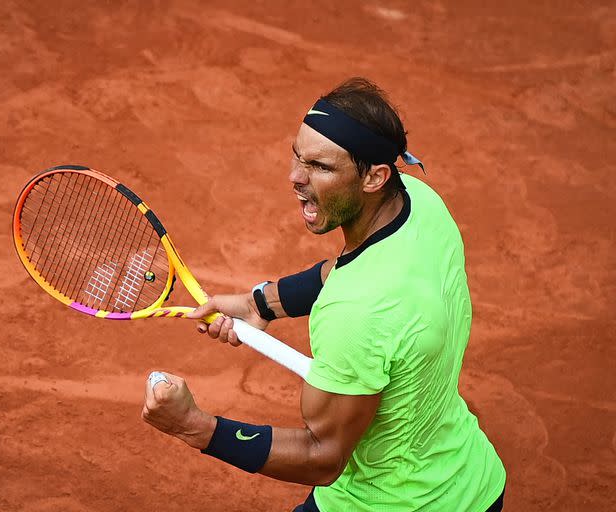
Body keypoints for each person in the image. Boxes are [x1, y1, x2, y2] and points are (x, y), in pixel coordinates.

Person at [141, 77, 506, 511]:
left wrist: (194, 426)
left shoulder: (356, 314)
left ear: (374, 176)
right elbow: (347, 268)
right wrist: (260, 304)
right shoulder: (422, 206)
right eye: (298, 156)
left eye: (321, 167)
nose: (295, 177)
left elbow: (322, 456)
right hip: (473, 484)